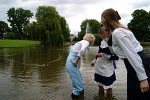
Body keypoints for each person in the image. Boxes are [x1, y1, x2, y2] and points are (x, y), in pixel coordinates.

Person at [101, 8, 150, 100]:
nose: (101, 22)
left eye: (102, 19)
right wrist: (107, 39)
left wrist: (143, 78)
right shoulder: (120, 30)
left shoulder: (118, 33)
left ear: (107, 20)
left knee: (141, 96)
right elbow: (116, 52)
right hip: (136, 64)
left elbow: (132, 54)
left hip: (137, 64)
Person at [91, 26, 119, 97]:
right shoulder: (101, 41)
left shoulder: (112, 42)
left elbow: (116, 57)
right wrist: (94, 61)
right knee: (100, 87)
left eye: (101, 33)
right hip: (98, 67)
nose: (100, 35)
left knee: (109, 89)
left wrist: (104, 55)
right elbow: (99, 52)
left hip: (107, 69)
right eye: (100, 33)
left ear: (107, 32)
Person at [66, 33, 95, 98]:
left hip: (70, 62)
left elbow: (76, 53)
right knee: (77, 85)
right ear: (91, 40)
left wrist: (77, 64)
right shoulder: (86, 42)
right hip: (72, 62)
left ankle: (80, 95)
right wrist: (76, 61)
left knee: (79, 82)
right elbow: (81, 50)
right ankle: (75, 96)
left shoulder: (81, 42)